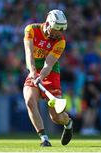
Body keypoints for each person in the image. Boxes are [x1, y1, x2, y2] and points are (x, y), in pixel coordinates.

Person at [23, 9, 73, 147]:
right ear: (49, 23)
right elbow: (29, 54)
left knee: (56, 117)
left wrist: (41, 76)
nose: (59, 33)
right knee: (29, 101)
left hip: (50, 72)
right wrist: (33, 72)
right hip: (33, 68)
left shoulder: (61, 41)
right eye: (57, 29)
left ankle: (68, 123)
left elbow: (49, 63)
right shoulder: (31, 30)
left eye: (61, 30)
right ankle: (44, 138)